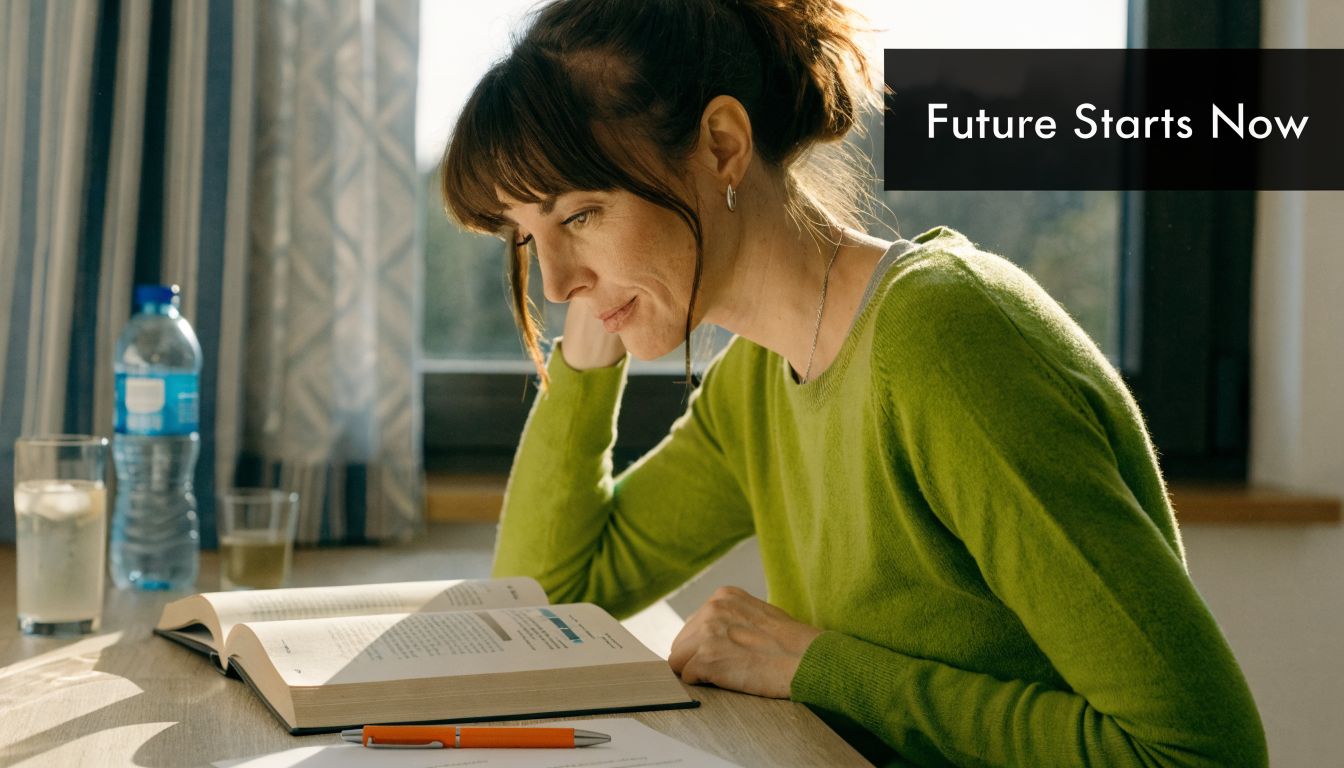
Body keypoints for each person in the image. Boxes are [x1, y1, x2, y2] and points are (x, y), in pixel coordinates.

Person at [438, 1, 1268, 765]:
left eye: (580, 213)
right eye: (525, 236)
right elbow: (547, 599)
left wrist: (817, 666)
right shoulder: (759, 381)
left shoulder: (944, 342)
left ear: (722, 146)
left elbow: (1202, 753)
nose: (550, 283)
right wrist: (594, 327)